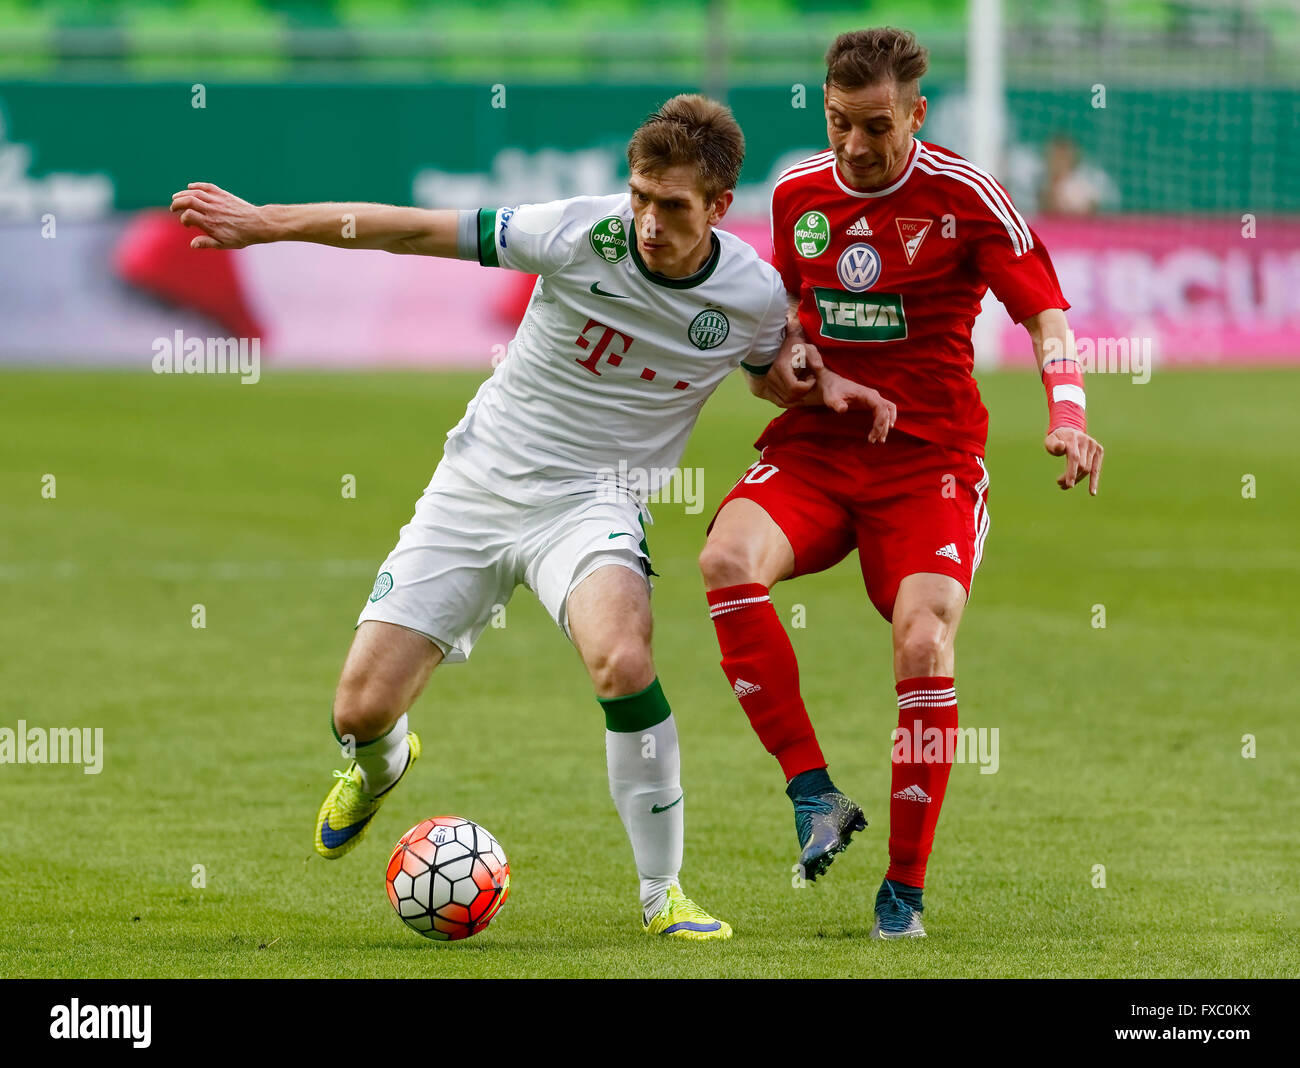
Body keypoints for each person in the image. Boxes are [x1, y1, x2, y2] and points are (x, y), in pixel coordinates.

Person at [169, 94, 894, 940]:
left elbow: (775, 369)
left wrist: (824, 379)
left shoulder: (751, 294)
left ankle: (663, 894)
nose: (649, 222)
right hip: (477, 486)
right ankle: (380, 768)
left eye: (672, 207)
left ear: (721, 208)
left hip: (593, 504)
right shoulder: (579, 232)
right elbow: (408, 229)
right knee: (360, 710)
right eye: (639, 197)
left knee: (623, 659)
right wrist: (269, 223)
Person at [698, 29, 1104, 939]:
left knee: (923, 644)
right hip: (818, 450)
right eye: (839, 122)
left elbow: (1044, 315)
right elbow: (789, 330)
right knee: (725, 558)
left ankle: (903, 893)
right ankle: (814, 794)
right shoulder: (797, 193)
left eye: (875, 126)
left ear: (917, 114)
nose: (853, 144)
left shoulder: (966, 196)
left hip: (931, 466)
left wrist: (1068, 414)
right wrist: (791, 366)